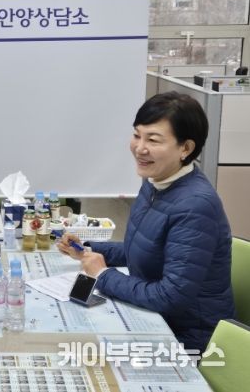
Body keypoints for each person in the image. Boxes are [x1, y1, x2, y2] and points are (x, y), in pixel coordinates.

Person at [57, 91, 235, 352]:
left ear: (186, 148)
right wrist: (86, 248)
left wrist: (103, 274)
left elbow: (170, 296)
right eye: (137, 135)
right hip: (155, 319)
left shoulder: (196, 206)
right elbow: (144, 248)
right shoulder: (155, 182)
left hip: (189, 338)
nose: (140, 148)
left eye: (153, 139)